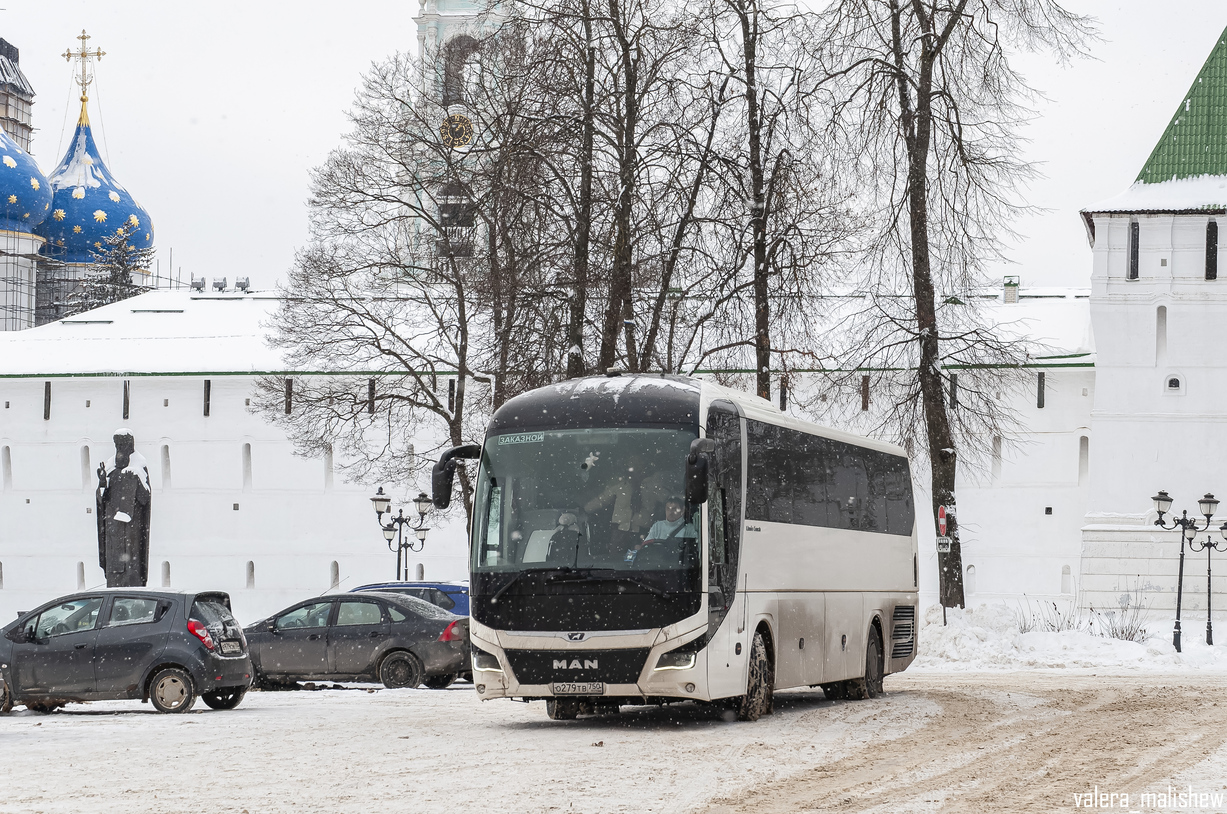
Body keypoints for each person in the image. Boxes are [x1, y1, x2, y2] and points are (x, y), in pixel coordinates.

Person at [625, 497, 696, 562]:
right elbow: (646, 546)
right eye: (668, 509)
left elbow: (692, 553)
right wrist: (639, 548)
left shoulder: (690, 529)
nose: (670, 512)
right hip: (656, 565)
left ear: (682, 510)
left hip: (678, 567)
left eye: (674, 509)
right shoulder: (657, 526)